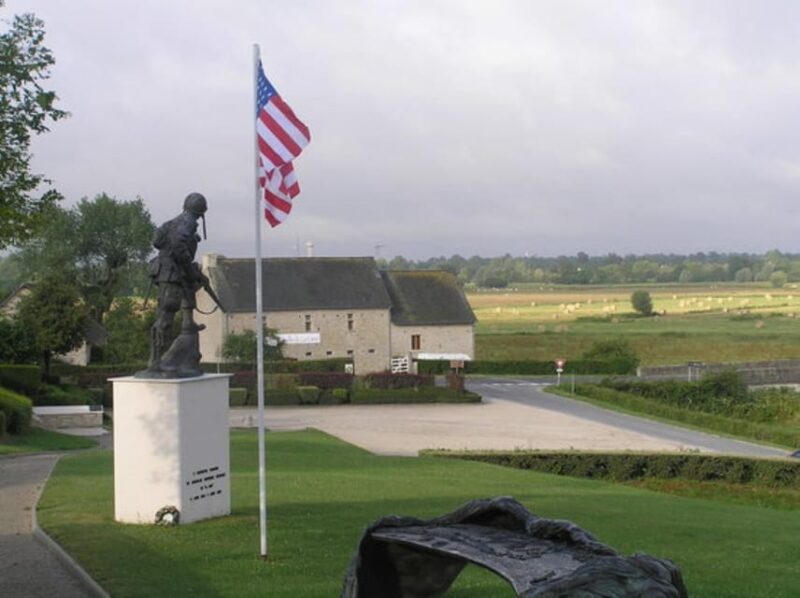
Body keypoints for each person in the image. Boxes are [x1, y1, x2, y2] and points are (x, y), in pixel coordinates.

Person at [147, 192, 209, 371]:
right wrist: (190, 269)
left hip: (168, 274)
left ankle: (188, 323)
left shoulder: (172, 222)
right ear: (200, 212)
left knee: (186, 292)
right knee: (165, 318)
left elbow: (159, 239)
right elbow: (178, 245)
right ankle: (156, 362)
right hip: (172, 275)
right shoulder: (187, 223)